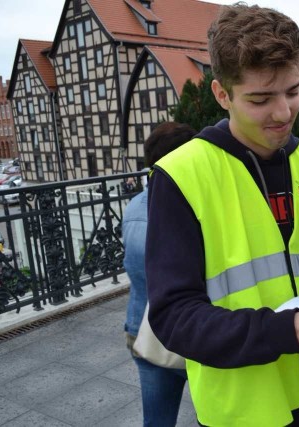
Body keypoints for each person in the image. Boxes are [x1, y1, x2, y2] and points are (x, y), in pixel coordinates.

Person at [145, 4, 299, 427]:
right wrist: (291, 332)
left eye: (294, 92)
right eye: (260, 99)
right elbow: (174, 318)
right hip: (244, 415)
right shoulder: (179, 175)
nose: (283, 113)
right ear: (222, 94)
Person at [123, 121, 197, 427]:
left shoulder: (134, 206)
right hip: (189, 331)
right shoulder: (193, 209)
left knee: (156, 420)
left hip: (140, 328)